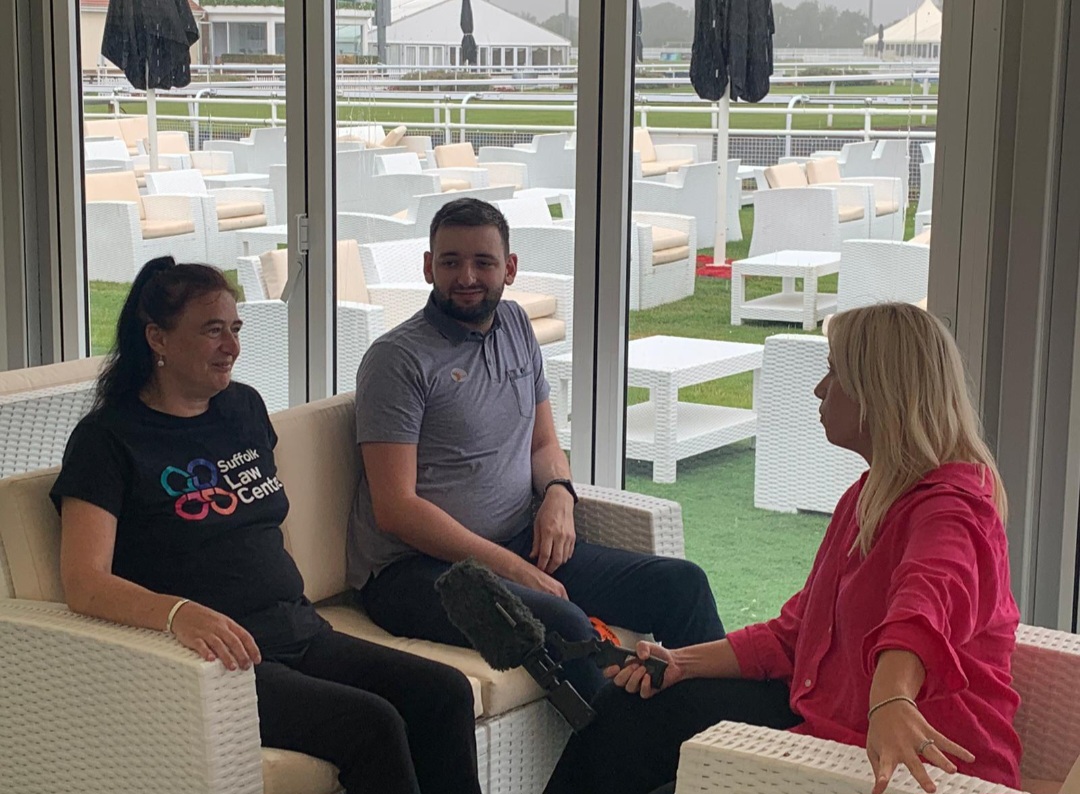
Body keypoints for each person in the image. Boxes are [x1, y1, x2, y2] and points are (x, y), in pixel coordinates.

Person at [544, 302, 1022, 794]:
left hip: (914, 764)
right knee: (630, 708)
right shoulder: (868, 495)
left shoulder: (956, 510)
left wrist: (892, 698)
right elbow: (796, 635)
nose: (820, 388)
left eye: (834, 373)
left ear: (880, 394)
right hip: (829, 729)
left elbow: (923, 607)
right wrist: (680, 663)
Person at [52, 257, 483, 794]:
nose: (231, 346)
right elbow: (85, 581)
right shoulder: (107, 441)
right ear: (157, 339)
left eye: (235, 329)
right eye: (212, 331)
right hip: (213, 660)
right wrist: (179, 614)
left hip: (297, 630)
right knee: (371, 724)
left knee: (443, 692)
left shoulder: (243, 409)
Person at [347, 197, 726, 701]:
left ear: (509, 268)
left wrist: (558, 495)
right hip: (418, 572)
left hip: (519, 541)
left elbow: (543, 442)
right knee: (564, 623)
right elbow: (396, 509)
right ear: (427, 267)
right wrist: (514, 571)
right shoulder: (398, 360)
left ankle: (710, 731)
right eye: (450, 261)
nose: (466, 276)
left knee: (682, 585)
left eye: (483, 262)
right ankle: (623, 758)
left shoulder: (517, 326)